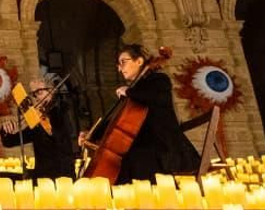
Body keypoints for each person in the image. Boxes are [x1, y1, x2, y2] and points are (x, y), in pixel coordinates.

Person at [83, 43, 197, 183]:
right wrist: (92, 133)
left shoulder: (158, 80)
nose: (119, 68)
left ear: (139, 61)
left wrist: (130, 92)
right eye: (118, 65)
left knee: (132, 164)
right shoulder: (135, 92)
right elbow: (117, 124)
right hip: (142, 148)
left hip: (162, 149)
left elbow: (156, 98)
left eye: (123, 62)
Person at [0, 78, 79, 180]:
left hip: (62, 177)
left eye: (39, 92)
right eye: (33, 94)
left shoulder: (63, 110)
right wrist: (5, 129)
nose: (36, 98)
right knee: (1, 177)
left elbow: (58, 136)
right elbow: (9, 142)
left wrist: (44, 118)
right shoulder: (37, 121)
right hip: (42, 176)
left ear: (51, 91)